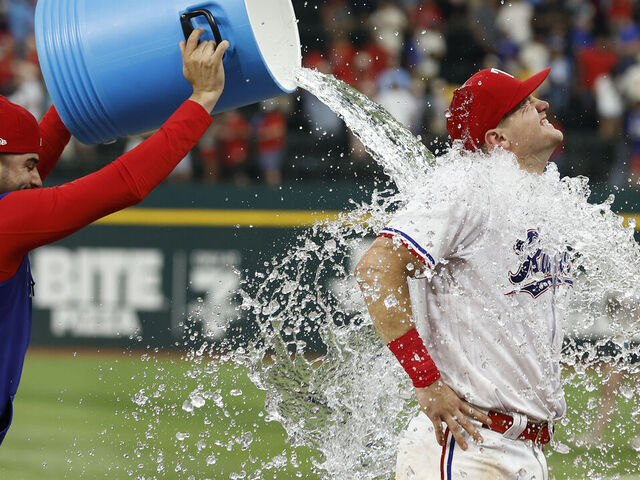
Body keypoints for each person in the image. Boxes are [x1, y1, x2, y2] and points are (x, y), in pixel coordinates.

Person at [0, 28, 229, 446]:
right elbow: (124, 182)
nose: (38, 176)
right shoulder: (5, 220)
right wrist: (202, 100)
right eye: (30, 165)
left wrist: (82, 82)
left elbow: (39, 147)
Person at [356, 67, 569, 479]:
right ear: (497, 138)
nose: (542, 104)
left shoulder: (538, 198)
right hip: (469, 444)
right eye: (524, 104)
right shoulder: (465, 185)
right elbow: (377, 268)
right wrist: (425, 378)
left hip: (518, 448)